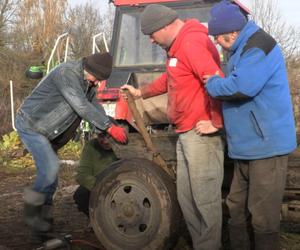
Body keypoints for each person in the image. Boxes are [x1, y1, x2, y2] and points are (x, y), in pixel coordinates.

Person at [121, 4, 224, 250]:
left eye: (152, 34)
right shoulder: (177, 48)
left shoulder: (192, 44)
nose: (151, 40)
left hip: (201, 135)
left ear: (165, 26)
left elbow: (218, 81)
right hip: (185, 132)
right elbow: (170, 78)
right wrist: (140, 92)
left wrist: (216, 122)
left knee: (205, 200)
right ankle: (201, 245)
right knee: (186, 198)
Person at [205, 1, 297, 249]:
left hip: (266, 147)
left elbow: (241, 86)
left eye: (218, 37)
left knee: (263, 216)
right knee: (236, 206)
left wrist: (212, 83)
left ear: (232, 33)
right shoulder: (240, 48)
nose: (216, 42)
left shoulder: (259, 47)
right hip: (247, 147)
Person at [15, 52, 128, 234]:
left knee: (51, 178)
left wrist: (108, 125)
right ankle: (31, 211)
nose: (97, 83)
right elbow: (81, 106)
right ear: (89, 69)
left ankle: (44, 218)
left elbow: (94, 106)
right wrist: (108, 127)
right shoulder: (66, 74)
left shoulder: (88, 82)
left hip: (50, 131)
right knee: (50, 168)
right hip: (32, 124)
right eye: (97, 78)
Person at [73, 134, 118, 217]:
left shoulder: (126, 146)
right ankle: (95, 219)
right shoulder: (90, 146)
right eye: (101, 136)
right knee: (81, 194)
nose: (105, 141)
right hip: (99, 184)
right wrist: (101, 186)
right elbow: (81, 174)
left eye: (109, 137)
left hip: (120, 183)